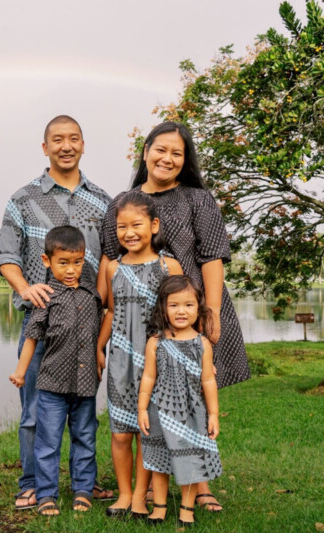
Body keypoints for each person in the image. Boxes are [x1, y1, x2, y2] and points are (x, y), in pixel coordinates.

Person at [100, 121, 249, 512]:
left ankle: (199, 487)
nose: (167, 158)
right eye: (160, 149)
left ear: (185, 161)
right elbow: (108, 261)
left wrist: (209, 313)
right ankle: (153, 483)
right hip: (138, 324)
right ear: (145, 151)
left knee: (193, 400)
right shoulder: (122, 202)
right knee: (157, 401)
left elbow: (212, 257)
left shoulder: (198, 200)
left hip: (189, 313)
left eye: (177, 153)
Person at [0, 115, 113, 510]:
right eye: (57, 139)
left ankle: (86, 482)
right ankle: (30, 483)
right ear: (45, 147)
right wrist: (25, 288)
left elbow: (112, 260)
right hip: (42, 323)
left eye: (73, 138)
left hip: (88, 327)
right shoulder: (23, 199)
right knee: (34, 414)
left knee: (84, 414)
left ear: (83, 144)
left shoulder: (103, 201)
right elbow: (6, 256)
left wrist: (100, 319)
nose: (66, 145)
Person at [96, 191, 181, 518]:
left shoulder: (168, 266)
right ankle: (124, 493)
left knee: (148, 431)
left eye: (137, 225)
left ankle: (141, 498)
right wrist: (98, 347)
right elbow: (111, 312)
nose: (129, 233)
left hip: (155, 363)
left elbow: (179, 313)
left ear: (154, 225)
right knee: (120, 434)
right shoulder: (113, 268)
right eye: (121, 227)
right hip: (120, 360)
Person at [9, 226, 103, 516]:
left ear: (84, 259)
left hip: (85, 385)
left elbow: (103, 324)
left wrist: (100, 352)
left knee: (85, 437)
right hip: (51, 385)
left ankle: (84, 490)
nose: (72, 269)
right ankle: (46, 493)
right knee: (48, 441)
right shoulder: (44, 298)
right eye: (63, 263)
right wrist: (21, 372)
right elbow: (32, 338)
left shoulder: (91, 296)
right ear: (47, 261)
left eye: (77, 262)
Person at [138, 275, 222, 526]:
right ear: (163, 308)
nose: (181, 311)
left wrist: (214, 414)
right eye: (173, 305)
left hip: (192, 414)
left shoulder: (202, 344)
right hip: (160, 412)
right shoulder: (156, 342)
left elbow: (208, 381)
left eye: (188, 305)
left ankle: (187, 510)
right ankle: (159, 508)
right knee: (159, 461)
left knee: (192, 461)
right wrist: (142, 408)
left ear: (198, 308)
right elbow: (148, 377)